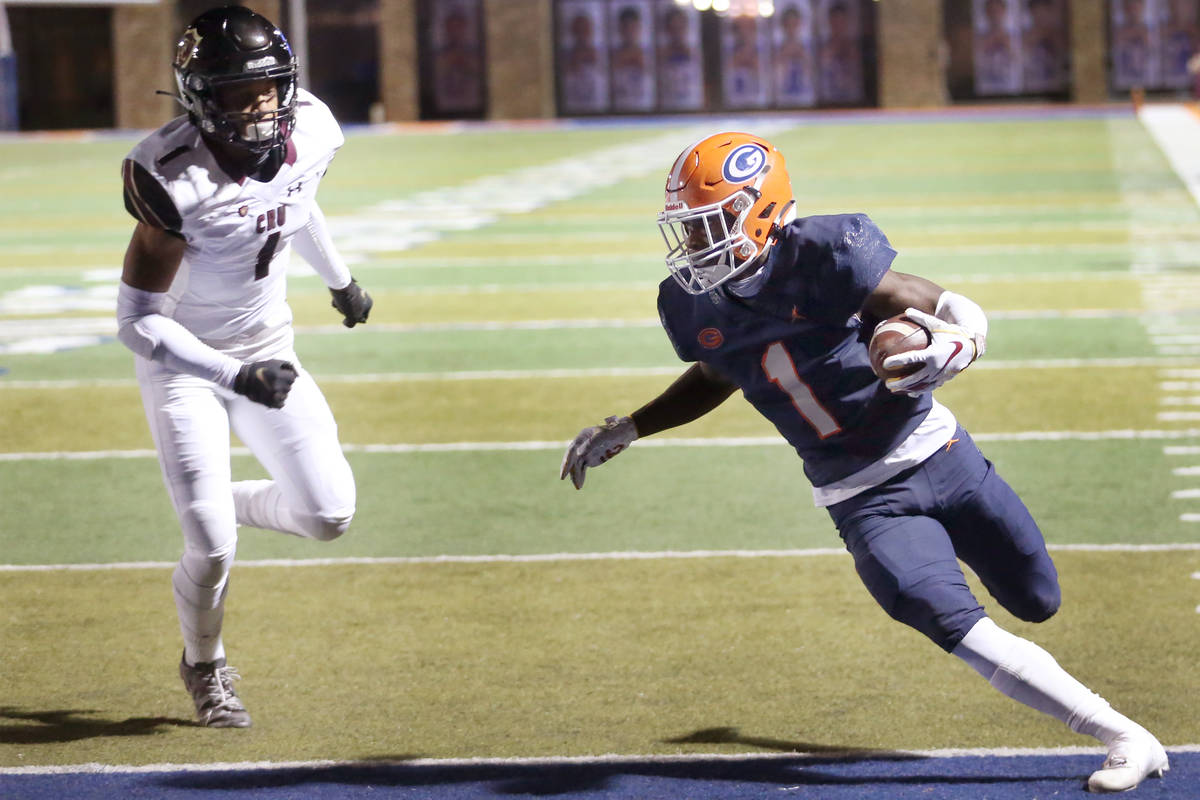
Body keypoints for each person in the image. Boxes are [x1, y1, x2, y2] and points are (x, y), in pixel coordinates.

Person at [560, 132, 1169, 793]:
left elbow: (936, 302)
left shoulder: (824, 252)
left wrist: (962, 340)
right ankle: (1123, 735)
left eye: (711, 223)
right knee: (943, 615)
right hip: (860, 496)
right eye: (689, 227)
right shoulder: (690, 303)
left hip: (942, 452)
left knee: (1037, 598)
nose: (696, 242)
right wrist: (634, 425)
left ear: (760, 211)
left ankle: (1100, 706)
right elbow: (718, 370)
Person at [117, 6, 372, 728]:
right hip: (185, 363)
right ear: (201, 98)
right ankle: (205, 665)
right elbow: (137, 322)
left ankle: (221, 502)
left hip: (267, 348)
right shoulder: (171, 176)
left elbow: (297, 201)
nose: (259, 107)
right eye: (237, 93)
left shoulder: (313, 128)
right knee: (211, 548)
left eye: (266, 88)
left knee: (329, 515)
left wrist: (340, 280)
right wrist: (233, 376)